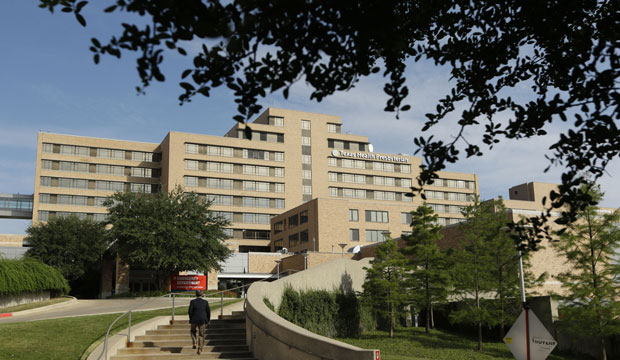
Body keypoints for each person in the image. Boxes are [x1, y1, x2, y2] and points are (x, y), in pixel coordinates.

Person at [188, 290, 211, 354]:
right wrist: (208, 320)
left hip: (194, 319)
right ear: (202, 295)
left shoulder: (192, 302)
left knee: (192, 331)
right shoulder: (205, 302)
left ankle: (194, 342)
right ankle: (200, 349)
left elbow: (190, 311)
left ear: (196, 295)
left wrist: (191, 318)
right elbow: (208, 312)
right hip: (202, 320)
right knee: (201, 335)